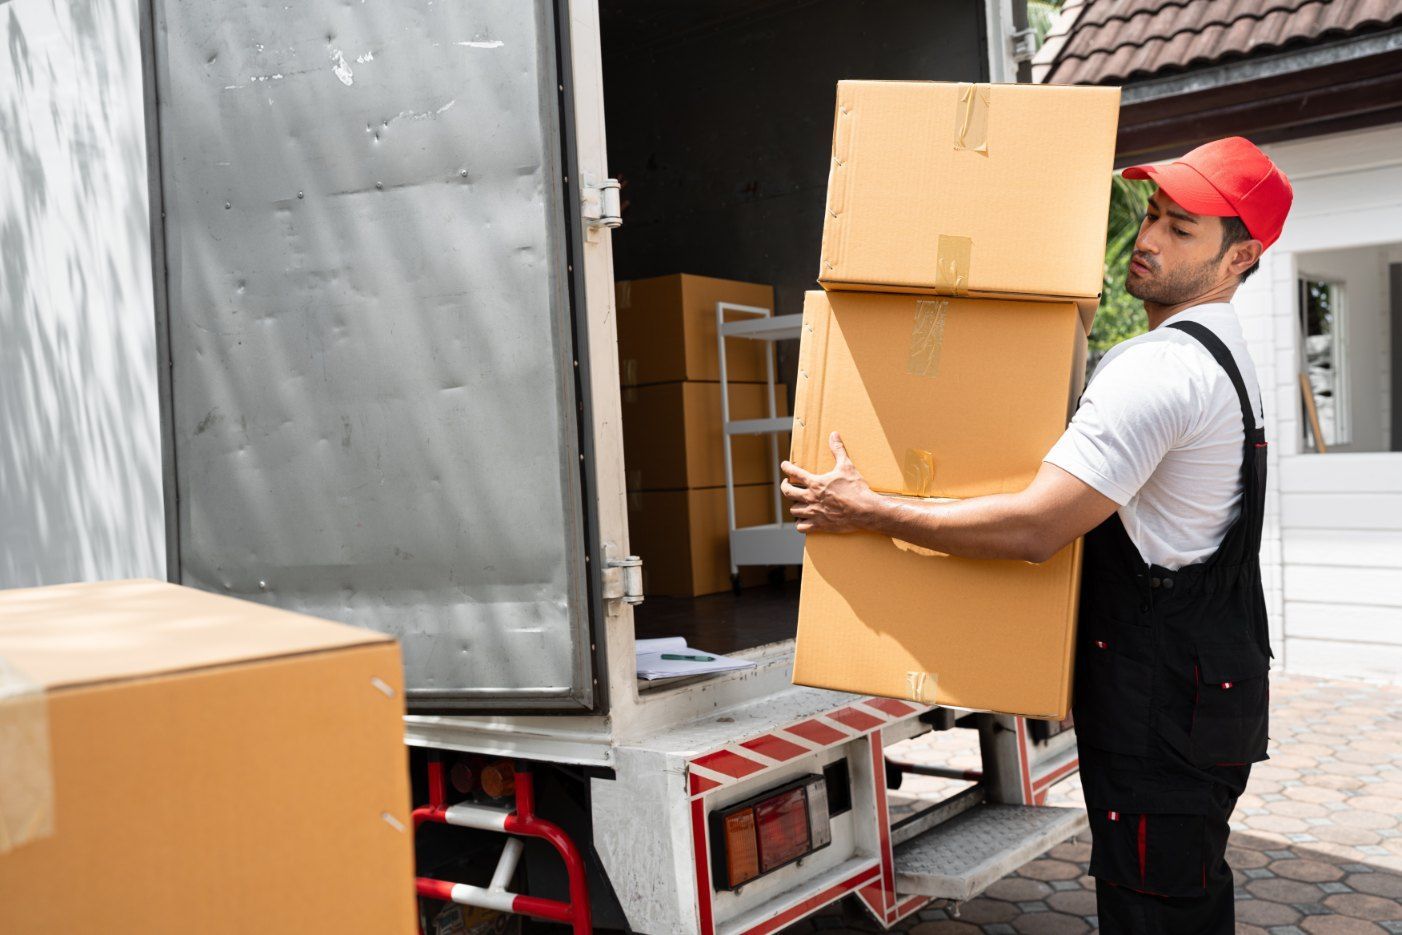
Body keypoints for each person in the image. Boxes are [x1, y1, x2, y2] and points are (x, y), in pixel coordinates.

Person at [780, 136, 1293, 934]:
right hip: (1206, 692)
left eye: (1182, 229)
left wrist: (868, 509)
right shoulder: (1224, 356)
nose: (1149, 240)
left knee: (1155, 910)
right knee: (1180, 895)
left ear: (1240, 257)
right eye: (1152, 217)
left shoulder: (1160, 368)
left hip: (1164, 705)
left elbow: (1036, 527)